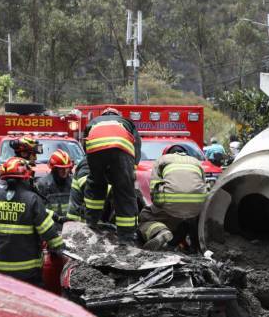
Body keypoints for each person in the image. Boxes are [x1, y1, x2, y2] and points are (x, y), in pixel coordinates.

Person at [0, 157, 63, 286]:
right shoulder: (32, 199)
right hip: (28, 272)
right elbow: (48, 232)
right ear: (25, 178)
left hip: (0, 269)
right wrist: (60, 247)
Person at [83, 107, 141, 243]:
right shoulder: (126, 122)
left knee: (96, 184)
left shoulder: (94, 121)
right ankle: (126, 237)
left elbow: (85, 145)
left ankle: (91, 223)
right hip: (120, 148)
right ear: (117, 115)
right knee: (124, 191)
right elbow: (136, 145)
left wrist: (96, 168)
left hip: (95, 149)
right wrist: (131, 168)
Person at [139, 144, 208, 250]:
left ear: (167, 153)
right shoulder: (196, 162)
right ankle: (192, 243)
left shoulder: (162, 160)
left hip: (171, 205)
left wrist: (158, 206)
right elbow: (203, 186)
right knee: (187, 218)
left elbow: (154, 188)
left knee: (145, 217)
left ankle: (161, 232)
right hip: (196, 208)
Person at [35, 149, 73, 217]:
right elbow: (39, 210)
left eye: (67, 168)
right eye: (61, 169)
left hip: (69, 224)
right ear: (54, 169)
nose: (65, 171)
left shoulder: (73, 183)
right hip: (51, 225)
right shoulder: (42, 185)